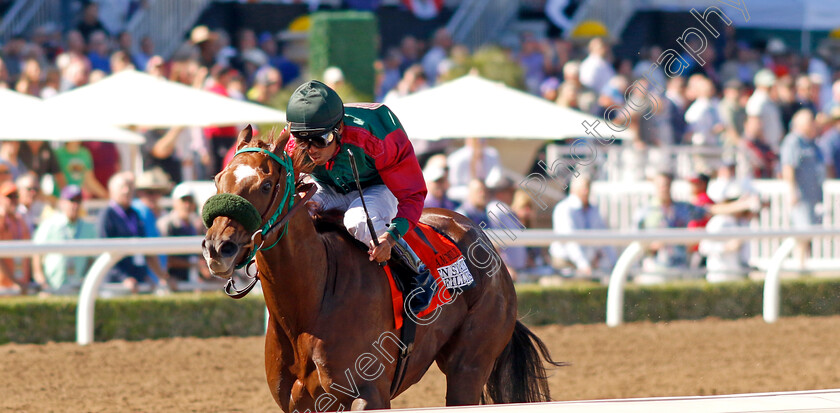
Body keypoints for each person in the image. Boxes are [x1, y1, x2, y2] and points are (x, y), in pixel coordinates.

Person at [283, 80, 435, 314]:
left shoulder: (377, 135)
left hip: (379, 188)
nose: (311, 149)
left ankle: (417, 271)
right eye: (303, 141)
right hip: (328, 187)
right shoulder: (293, 145)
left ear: (340, 129)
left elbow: (413, 195)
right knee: (296, 213)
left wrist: (391, 239)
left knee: (357, 221)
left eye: (320, 140)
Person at [97, 172, 173, 293]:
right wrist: (123, 278)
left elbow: (145, 249)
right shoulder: (107, 215)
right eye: (122, 187)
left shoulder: (134, 214)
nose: (126, 191)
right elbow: (104, 251)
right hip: (115, 284)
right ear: (111, 190)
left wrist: (156, 276)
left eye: (129, 187)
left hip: (138, 281)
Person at [634, 171, 708, 284]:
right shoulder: (644, 211)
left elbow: (709, 212)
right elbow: (635, 238)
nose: (664, 188)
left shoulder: (682, 208)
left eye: (666, 185)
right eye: (661, 185)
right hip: (656, 269)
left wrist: (740, 205)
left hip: (680, 267)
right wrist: (650, 245)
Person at [32, 185, 96, 295]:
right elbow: (36, 254)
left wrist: (86, 280)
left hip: (77, 288)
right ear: (62, 202)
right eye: (71, 200)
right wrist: (42, 282)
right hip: (52, 287)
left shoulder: (88, 227)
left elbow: (92, 258)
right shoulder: (50, 224)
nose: (75, 205)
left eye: (78, 200)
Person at [550, 175, 615, 278]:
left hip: (588, 264)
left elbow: (603, 236)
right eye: (583, 188)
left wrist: (613, 262)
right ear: (573, 189)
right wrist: (583, 265)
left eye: (588, 187)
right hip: (566, 264)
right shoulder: (564, 209)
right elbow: (570, 240)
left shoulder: (593, 210)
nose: (586, 191)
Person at [698, 182, 761, 283]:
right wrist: (726, 247)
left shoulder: (741, 223)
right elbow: (704, 247)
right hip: (719, 276)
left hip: (736, 276)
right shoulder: (719, 221)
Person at [157, 185, 210, 283]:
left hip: (191, 280)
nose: (187, 205)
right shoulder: (166, 224)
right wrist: (194, 264)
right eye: (183, 201)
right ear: (175, 203)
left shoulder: (196, 225)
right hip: (171, 280)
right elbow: (164, 259)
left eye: (190, 201)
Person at [0, 181, 31, 295]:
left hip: (20, 283)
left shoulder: (20, 221)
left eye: (15, 196)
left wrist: (21, 282)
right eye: (9, 196)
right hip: (4, 287)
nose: (13, 200)